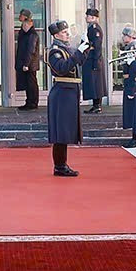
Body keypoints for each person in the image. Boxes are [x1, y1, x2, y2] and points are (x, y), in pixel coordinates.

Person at [46, 20, 85, 177]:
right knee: (61, 132)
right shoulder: (55, 52)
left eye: (67, 31)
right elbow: (62, 68)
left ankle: (61, 164)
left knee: (66, 130)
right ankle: (59, 166)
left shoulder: (67, 49)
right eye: (64, 32)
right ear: (56, 35)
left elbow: (79, 61)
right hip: (62, 93)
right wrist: (78, 53)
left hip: (69, 92)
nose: (67, 34)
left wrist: (85, 47)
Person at [118, 26, 136, 145]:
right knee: (131, 111)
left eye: (125, 35)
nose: (123, 37)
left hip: (132, 82)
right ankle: (135, 137)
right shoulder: (128, 48)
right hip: (129, 81)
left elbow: (134, 69)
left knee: (134, 112)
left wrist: (132, 88)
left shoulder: (133, 49)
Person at [14, 10, 41, 109]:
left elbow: (30, 50)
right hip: (27, 64)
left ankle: (32, 103)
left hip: (29, 65)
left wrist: (26, 64)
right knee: (28, 84)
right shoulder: (26, 34)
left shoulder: (32, 35)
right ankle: (29, 102)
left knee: (31, 84)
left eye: (25, 25)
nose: (23, 27)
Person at [82, 7, 107, 112]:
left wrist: (96, 61)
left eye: (87, 16)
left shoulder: (95, 28)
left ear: (93, 17)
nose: (86, 18)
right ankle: (95, 105)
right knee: (93, 83)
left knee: (96, 83)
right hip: (91, 58)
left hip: (94, 58)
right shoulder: (91, 28)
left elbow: (97, 46)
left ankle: (97, 106)